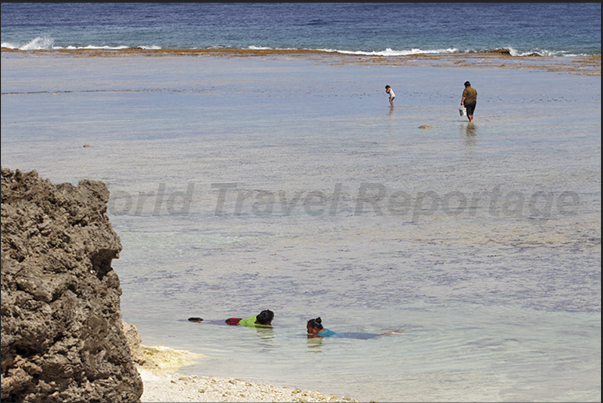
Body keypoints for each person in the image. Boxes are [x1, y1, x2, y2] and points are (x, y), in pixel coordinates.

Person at [306, 317, 401, 339]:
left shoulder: (318, 334)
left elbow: (314, 339)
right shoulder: (325, 330)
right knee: (374, 336)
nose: (307, 331)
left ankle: (390, 334)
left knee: (373, 338)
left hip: (347, 336)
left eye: (308, 329)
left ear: (314, 328)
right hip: (347, 333)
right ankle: (390, 334)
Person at [188, 309, 274, 328]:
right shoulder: (254, 325)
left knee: (212, 322)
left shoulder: (256, 317)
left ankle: (201, 320)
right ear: (268, 321)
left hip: (235, 320)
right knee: (211, 322)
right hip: (233, 322)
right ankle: (199, 321)